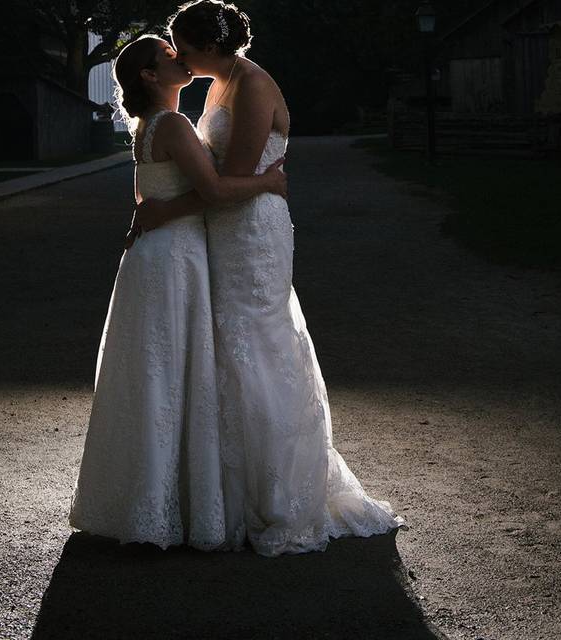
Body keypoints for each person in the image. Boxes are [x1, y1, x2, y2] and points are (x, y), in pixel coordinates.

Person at [133, 0, 403, 557]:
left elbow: (232, 179)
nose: (178, 55)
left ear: (208, 48)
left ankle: (280, 497)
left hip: (251, 228)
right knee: (229, 349)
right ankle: (225, 494)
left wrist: (254, 189)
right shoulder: (218, 83)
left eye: (181, 45)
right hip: (223, 224)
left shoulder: (252, 85)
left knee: (258, 343)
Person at [68, 34, 287, 551]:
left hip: (149, 258)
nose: (179, 57)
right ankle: (174, 503)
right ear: (149, 75)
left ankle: (141, 501)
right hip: (175, 259)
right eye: (168, 57)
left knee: (151, 374)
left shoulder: (144, 128)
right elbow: (212, 192)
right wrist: (268, 184)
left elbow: (146, 197)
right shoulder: (172, 124)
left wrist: (152, 218)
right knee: (174, 373)